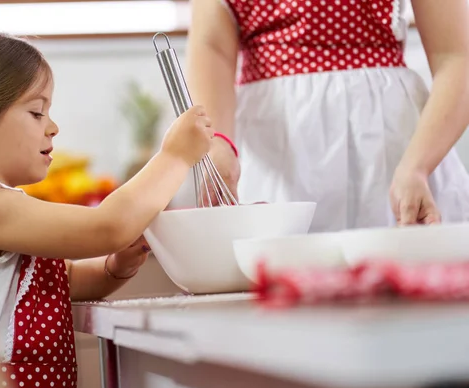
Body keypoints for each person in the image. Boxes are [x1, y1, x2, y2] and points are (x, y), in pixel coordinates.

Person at [0, 28, 213, 388]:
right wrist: (175, 156)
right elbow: (108, 226)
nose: (53, 127)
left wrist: (111, 269)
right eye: (37, 112)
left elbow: (58, 279)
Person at [187, 0, 469, 232]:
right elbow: (213, 48)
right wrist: (219, 144)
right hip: (275, 154)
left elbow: (457, 58)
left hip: (394, 156)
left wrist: (417, 167)